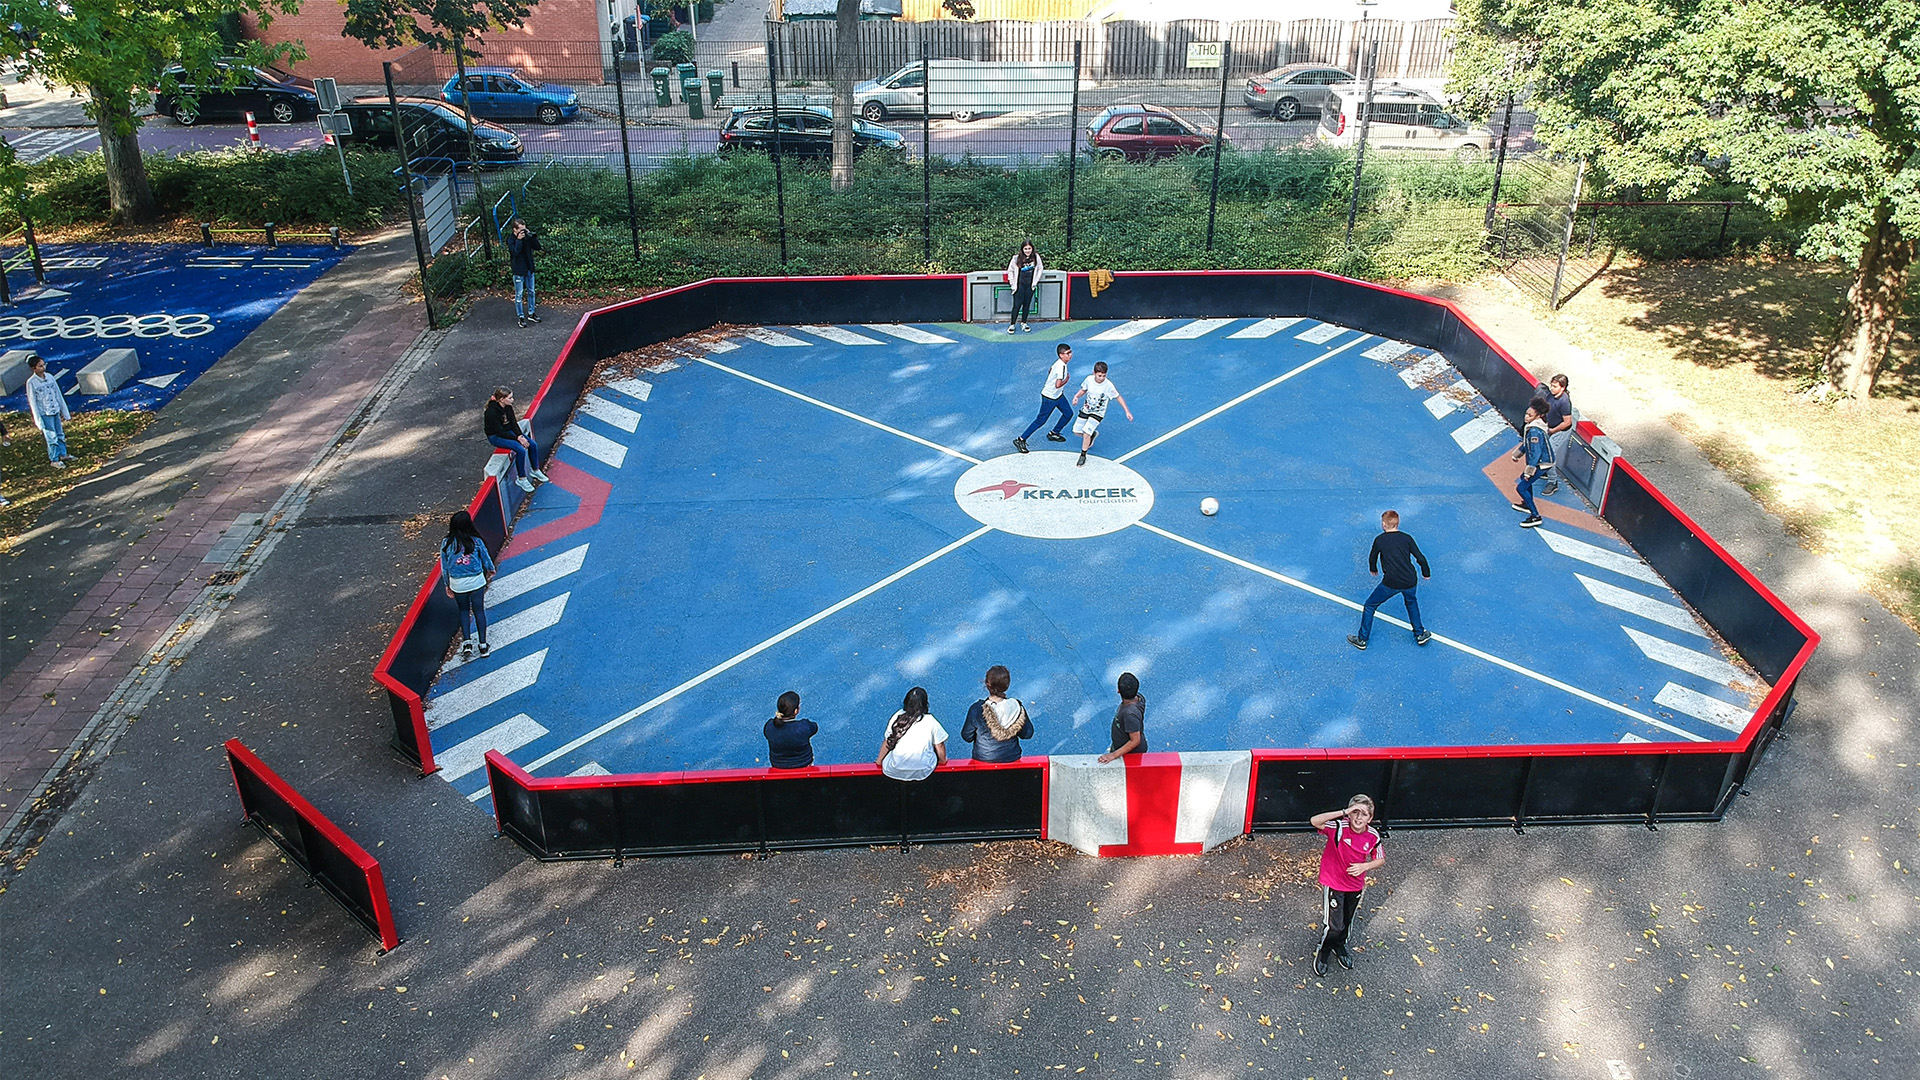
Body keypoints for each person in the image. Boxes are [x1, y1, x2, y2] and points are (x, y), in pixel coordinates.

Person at [1309, 795, 1384, 977]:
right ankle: (1324, 950)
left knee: (1346, 921)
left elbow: (1380, 859)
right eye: (1354, 813)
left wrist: (1364, 866)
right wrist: (1343, 812)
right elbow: (1314, 821)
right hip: (1335, 883)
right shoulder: (1339, 827)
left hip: (1355, 886)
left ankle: (1340, 945)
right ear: (1349, 814)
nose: (1358, 818)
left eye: (1363, 814)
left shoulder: (1373, 835)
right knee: (1334, 924)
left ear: (1370, 818)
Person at [1347, 509, 1432, 650]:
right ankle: (1419, 634)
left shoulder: (1380, 540)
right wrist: (1426, 572)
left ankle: (1362, 639)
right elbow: (1420, 558)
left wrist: (1373, 569)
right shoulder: (1407, 538)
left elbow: (1372, 556)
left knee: (1370, 606)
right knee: (1411, 602)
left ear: (1384, 524)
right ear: (1397, 523)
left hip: (1391, 582)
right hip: (1410, 580)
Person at [440, 510, 496, 659]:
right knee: (479, 611)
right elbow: (485, 557)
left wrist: (447, 584)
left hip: (457, 583)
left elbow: (444, 567)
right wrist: (491, 569)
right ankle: (483, 645)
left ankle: (467, 643)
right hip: (476, 581)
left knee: (464, 611)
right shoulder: (476, 541)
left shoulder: (447, 543)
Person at [960, 664, 1034, 762]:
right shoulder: (1016, 707)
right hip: (1011, 758)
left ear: (987, 684)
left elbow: (967, 736)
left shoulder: (977, 709)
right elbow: (1027, 734)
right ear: (1007, 685)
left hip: (983, 759)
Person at [1013, 343, 1075, 453]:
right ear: (1061, 355)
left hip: (1058, 396)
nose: (1070, 355)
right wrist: (1067, 380)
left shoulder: (1060, 364)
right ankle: (1020, 439)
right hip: (1050, 397)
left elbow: (1050, 370)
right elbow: (1057, 384)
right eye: (1067, 353)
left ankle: (1054, 433)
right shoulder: (1061, 367)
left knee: (1068, 413)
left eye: (1070, 352)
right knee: (1041, 420)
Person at [485, 387, 549, 493]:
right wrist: (517, 438)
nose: (512, 400)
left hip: (509, 432)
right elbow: (499, 431)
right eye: (510, 398)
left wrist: (520, 435)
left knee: (532, 444)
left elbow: (514, 424)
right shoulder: (491, 413)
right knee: (520, 449)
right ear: (501, 399)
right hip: (496, 436)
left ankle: (535, 470)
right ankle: (521, 478)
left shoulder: (508, 407)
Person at [1069, 361, 1133, 467]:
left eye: (1104, 376)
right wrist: (1076, 396)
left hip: (1098, 413)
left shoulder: (1108, 385)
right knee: (1076, 431)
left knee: (1086, 433)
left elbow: (1118, 397)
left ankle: (1083, 455)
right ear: (1094, 373)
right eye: (1099, 376)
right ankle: (1092, 435)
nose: (1102, 378)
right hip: (1086, 409)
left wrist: (1127, 411)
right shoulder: (1089, 380)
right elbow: (1083, 390)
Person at [876, 686, 948, 780]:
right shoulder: (930, 720)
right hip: (923, 770)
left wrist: (879, 761)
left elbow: (888, 741)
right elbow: (940, 745)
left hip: (895, 769)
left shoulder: (897, 716)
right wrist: (943, 760)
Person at [1510, 399, 1553, 528]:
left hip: (1542, 463)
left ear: (1538, 416)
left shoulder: (1535, 431)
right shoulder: (1534, 427)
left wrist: (1529, 471)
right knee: (1524, 480)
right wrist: (1518, 454)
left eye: (1530, 415)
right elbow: (1527, 444)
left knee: (1521, 487)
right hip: (1540, 461)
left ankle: (1535, 515)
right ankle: (1527, 504)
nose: (1526, 417)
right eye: (1526, 413)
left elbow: (1536, 453)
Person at [24, 354, 71, 469]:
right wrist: (38, 419)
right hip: (45, 413)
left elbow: (58, 393)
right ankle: (54, 459)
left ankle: (63, 454)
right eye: (40, 366)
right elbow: (33, 401)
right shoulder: (31, 382)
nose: (43, 368)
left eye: (43, 365)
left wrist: (64, 411)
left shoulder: (50, 377)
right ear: (34, 368)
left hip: (54, 409)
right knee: (51, 437)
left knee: (60, 434)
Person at [1097, 672, 1146, 763]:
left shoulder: (1130, 714)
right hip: (1121, 743)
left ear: (1118, 690)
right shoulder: (1139, 698)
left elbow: (1135, 740)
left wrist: (1114, 755)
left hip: (1130, 753)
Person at [764, 690, 818, 769]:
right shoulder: (804, 727)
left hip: (778, 766)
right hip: (804, 765)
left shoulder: (769, 726)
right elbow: (815, 727)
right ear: (796, 711)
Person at [1539, 375, 1573, 496]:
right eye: (1551, 385)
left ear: (1562, 388)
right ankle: (1546, 470)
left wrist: (1553, 430)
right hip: (1550, 427)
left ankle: (1553, 482)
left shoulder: (1564, 402)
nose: (1552, 388)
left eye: (1555, 386)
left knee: (1550, 455)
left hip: (1560, 431)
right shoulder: (1551, 396)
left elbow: (1567, 422)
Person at [506, 218, 543, 328]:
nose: (523, 232)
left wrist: (532, 237)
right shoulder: (511, 239)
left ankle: (531, 313)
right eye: (521, 230)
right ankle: (520, 317)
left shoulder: (527, 237)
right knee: (519, 294)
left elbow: (537, 247)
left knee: (531, 291)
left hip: (529, 269)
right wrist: (519, 240)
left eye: (524, 229)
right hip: (518, 270)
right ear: (515, 230)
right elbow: (515, 252)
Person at [1004, 239, 1044, 333]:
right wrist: (1012, 283)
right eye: (1025, 248)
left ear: (1032, 249)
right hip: (1019, 285)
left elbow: (1040, 268)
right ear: (1022, 249)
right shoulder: (1016, 258)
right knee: (1017, 305)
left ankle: (1024, 322)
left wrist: (1036, 281)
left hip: (1030, 285)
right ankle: (1012, 324)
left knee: (1027, 304)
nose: (1027, 250)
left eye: (1029, 248)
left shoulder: (1036, 257)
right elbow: (1010, 271)